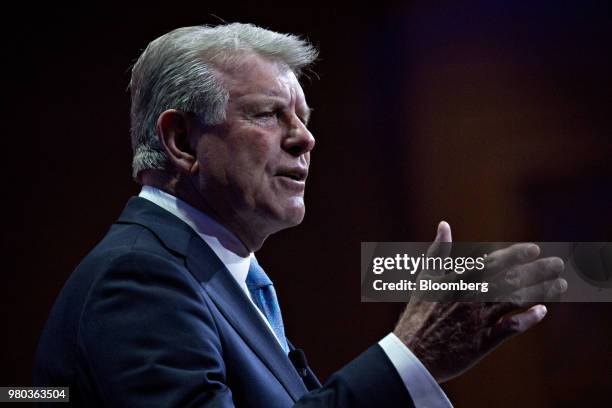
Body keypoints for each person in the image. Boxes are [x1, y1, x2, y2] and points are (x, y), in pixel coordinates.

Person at [34, 23, 566, 407]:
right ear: (180, 140)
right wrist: (411, 358)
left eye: (304, 118)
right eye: (267, 114)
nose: (305, 137)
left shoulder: (220, 276)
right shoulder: (138, 278)